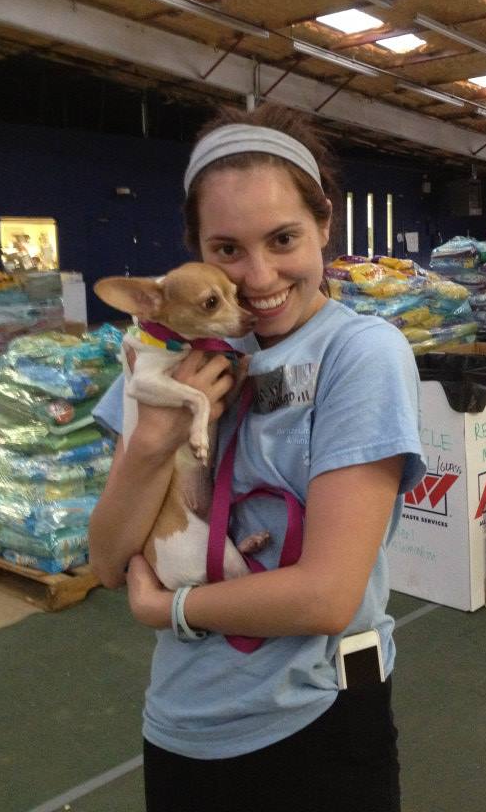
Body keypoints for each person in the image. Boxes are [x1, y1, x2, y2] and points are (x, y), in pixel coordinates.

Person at [89, 103, 426, 812]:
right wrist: (152, 441)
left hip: (316, 721)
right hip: (180, 720)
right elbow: (108, 559)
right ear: (196, 253)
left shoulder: (359, 354)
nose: (258, 277)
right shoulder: (174, 353)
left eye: (283, 239)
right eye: (227, 249)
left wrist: (170, 608)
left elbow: (326, 596)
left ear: (325, 225)